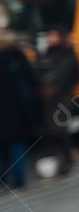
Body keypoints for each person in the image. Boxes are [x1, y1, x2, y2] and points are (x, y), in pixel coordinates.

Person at [34, 27, 79, 176]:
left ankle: (67, 157)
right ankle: (64, 156)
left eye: (54, 35)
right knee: (50, 129)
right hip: (47, 98)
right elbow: (37, 71)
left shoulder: (69, 54)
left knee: (59, 128)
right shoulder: (45, 54)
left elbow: (75, 75)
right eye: (50, 35)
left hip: (63, 97)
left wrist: (59, 89)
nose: (51, 38)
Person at [0, 27, 38, 189]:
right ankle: (19, 179)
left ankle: (3, 178)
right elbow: (31, 81)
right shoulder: (19, 57)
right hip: (18, 109)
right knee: (17, 143)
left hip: (7, 109)